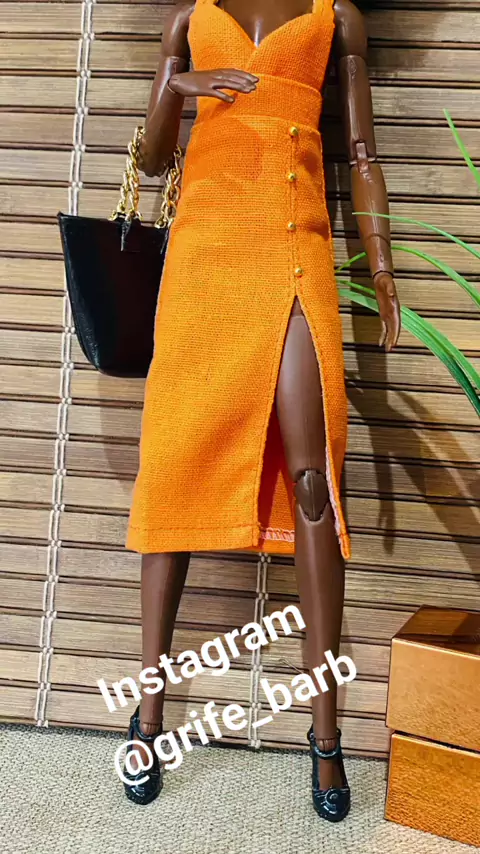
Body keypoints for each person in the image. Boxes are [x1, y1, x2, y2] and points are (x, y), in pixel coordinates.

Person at [123, 0, 400, 823]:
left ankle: (325, 734)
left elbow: (362, 154)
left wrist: (381, 267)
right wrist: (178, 85)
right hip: (204, 257)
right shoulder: (189, 21)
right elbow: (151, 163)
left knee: (315, 481)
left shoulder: (333, 17)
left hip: (291, 247)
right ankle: (147, 718)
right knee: (173, 469)